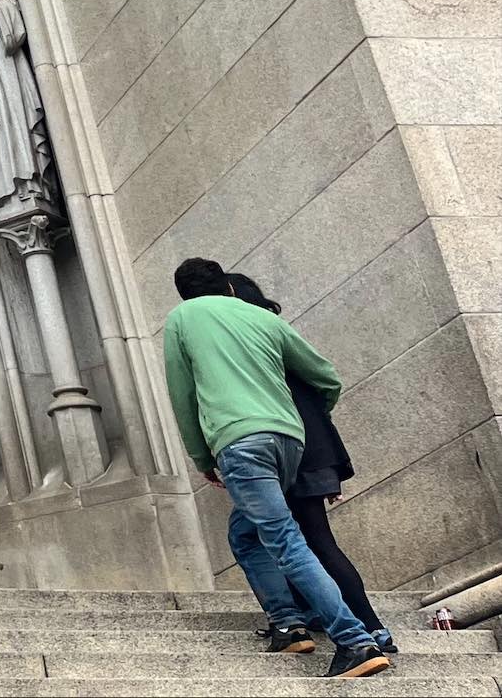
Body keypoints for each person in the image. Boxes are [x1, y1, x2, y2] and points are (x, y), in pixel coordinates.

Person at [161, 257, 389, 681]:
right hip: (289, 441)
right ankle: (287, 624)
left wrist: (202, 457)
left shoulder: (182, 318)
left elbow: (183, 393)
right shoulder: (259, 316)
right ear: (227, 287)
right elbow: (326, 376)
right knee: (245, 534)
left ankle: (354, 641)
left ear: (183, 293)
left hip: (239, 441)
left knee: (285, 540)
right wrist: (306, 418)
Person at [226, 272, 396, 661]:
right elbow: (321, 390)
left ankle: (359, 626)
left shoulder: (251, 339)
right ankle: (343, 621)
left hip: (291, 452)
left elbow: (322, 385)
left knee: (300, 539)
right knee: (305, 538)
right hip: (310, 449)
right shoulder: (271, 332)